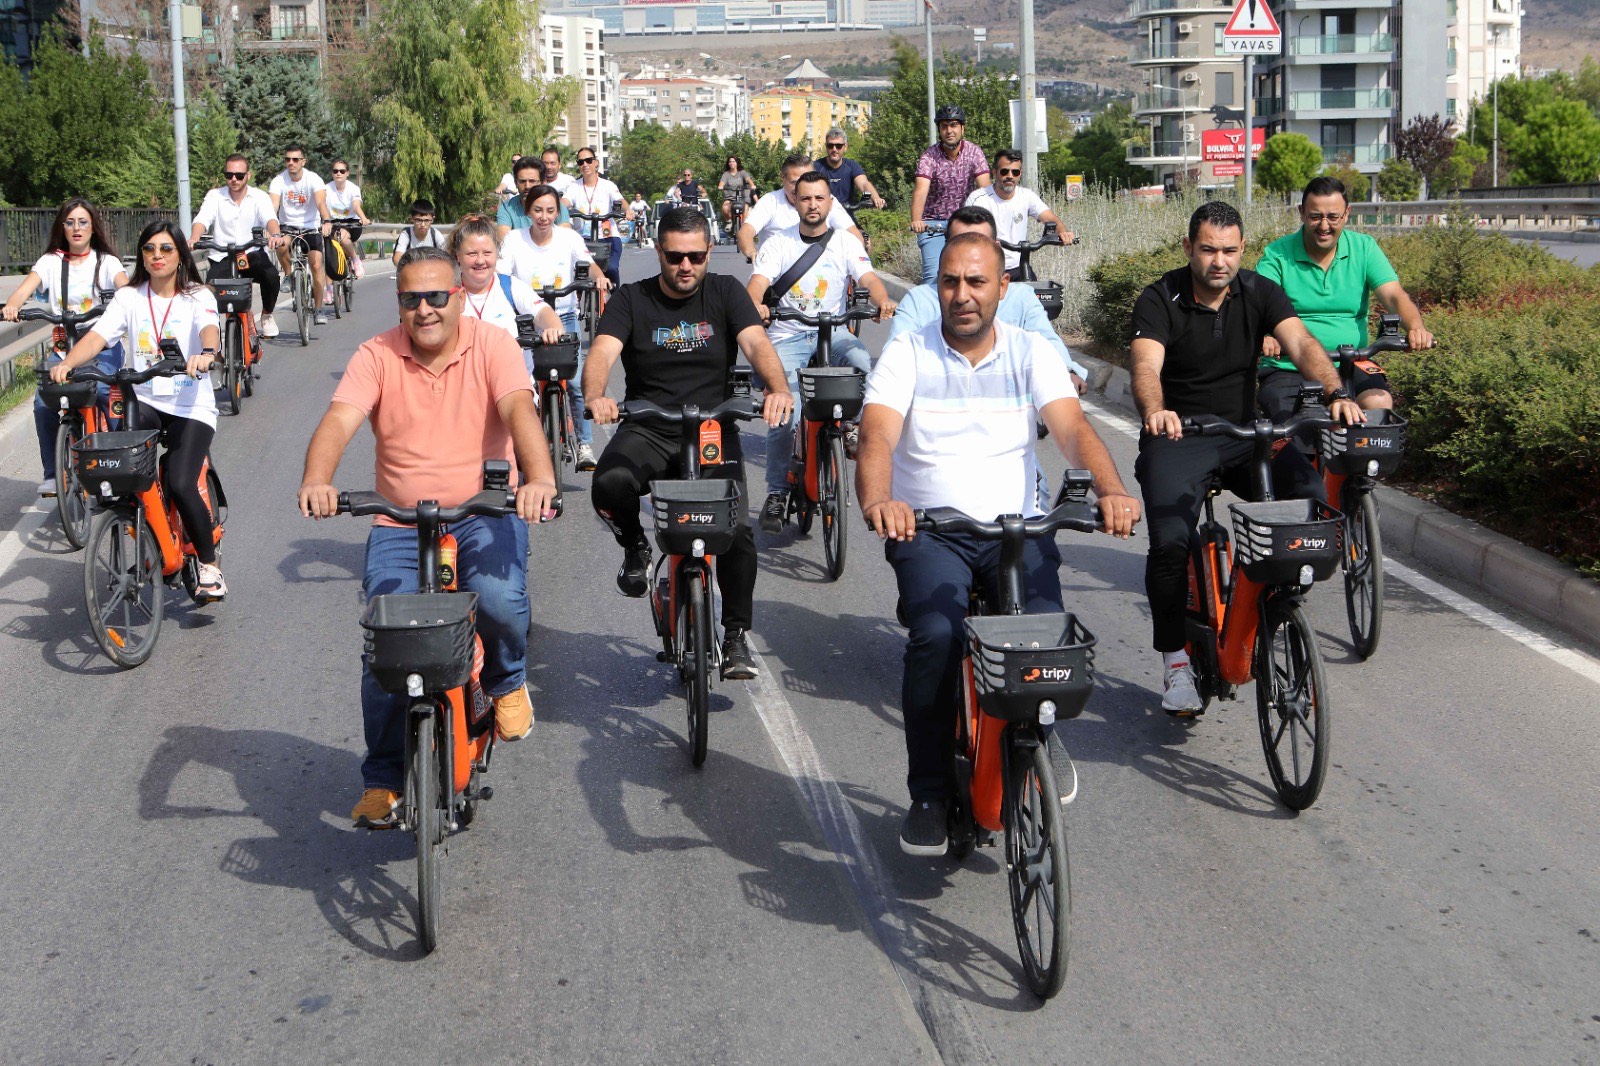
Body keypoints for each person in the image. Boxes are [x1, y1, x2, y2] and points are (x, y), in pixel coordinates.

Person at [856, 230, 1140, 856]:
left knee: (1046, 636)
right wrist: (881, 501)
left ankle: (1036, 726)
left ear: (1002, 288)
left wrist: (1111, 490)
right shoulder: (908, 351)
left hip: (1018, 528)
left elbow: (1072, 429)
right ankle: (929, 792)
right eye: (950, 281)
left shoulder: (1030, 351)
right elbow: (876, 437)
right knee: (936, 636)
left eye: (977, 282)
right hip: (931, 530)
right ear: (938, 287)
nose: (962, 294)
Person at [296, 246, 561, 829]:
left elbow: (520, 411)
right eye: (411, 299)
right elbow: (341, 419)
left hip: (480, 511)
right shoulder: (377, 354)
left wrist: (538, 478)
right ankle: (385, 779)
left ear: (459, 298)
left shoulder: (492, 345)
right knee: (384, 648)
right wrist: (318, 479)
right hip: (400, 520)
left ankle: (506, 681)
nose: (424, 310)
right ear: (399, 303)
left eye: (436, 296)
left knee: (499, 600)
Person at [1130, 202, 1361, 715]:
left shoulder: (1259, 290)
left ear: (1242, 251)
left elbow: (1300, 342)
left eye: (1230, 250)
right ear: (1189, 247)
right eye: (1208, 249)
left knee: (1307, 499)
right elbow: (1146, 364)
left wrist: (1334, 392)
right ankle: (1174, 662)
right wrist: (1157, 411)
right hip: (1179, 436)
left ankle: (1271, 604)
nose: (1220, 261)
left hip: (1243, 433)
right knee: (1169, 544)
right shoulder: (1159, 297)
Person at [584, 206, 794, 680]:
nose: (686, 267)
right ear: (659, 251)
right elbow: (602, 352)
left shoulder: (725, 292)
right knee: (609, 483)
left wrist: (776, 388)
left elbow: (758, 344)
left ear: (706, 253)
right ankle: (636, 548)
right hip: (648, 425)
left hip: (712, 431)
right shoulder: (632, 299)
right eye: (676, 256)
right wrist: (597, 395)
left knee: (737, 531)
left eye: (697, 256)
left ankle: (736, 636)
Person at [53, 221, 226, 600]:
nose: (157, 256)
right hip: (144, 400)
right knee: (124, 471)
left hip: (190, 405)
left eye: (166, 249)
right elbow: (98, 337)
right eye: (149, 249)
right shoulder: (130, 297)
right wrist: (68, 362)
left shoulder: (198, 295)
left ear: (180, 253)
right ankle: (152, 538)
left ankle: (210, 565)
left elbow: (209, 329)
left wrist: (207, 354)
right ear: (142, 256)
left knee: (181, 483)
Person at [746, 170, 894, 533]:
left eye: (819, 198)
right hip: (788, 337)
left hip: (835, 332)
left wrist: (882, 300)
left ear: (830, 203)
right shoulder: (778, 244)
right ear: (795, 201)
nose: (813, 205)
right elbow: (757, 284)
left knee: (861, 361)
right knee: (785, 410)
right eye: (806, 198)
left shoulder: (845, 242)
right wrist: (757, 306)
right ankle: (778, 492)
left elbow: (868, 278)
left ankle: (852, 428)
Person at [1255, 175, 1435, 420]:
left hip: (1352, 363)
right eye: (1315, 216)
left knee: (1378, 404)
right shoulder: (1277, 255)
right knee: (1297, 425)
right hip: (1290, 367)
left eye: (1333, 217)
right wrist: (1266, 335)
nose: (1324, 226)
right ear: (1301, 213)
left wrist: (1416, 327)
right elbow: (1260, 305)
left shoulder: (1364, 248)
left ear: (1347, 214)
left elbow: (1393, 295)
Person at [2, 197, 129, 497]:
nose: (76, 228)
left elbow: (125, 286)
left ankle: (119, 465)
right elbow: (25, 289)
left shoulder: (106, 262)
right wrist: (12, 305)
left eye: (83, 222)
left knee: (102, 393)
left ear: (93, 227)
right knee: (42, 402)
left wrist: (128, 299)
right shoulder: (51, 261)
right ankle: (51, 474)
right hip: (63, 348)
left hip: (102, 346)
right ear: (62, 227)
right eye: (70, 222)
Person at [890, 206, 1088, 392]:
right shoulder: (919, 300)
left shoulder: (1021, 297)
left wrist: (1067, 371)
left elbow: (1046, 339)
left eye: (979, 243)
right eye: (960, 242)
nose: (962, 297)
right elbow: (895, 358)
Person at [500, 184, 610, 470]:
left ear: (557, 211)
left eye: (550, 210)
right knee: (521, 385)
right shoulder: (514, 240)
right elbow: (501, 277)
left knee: (574, 382)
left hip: (564, 317)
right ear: (528, 212)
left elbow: (589, 264)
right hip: (526, 321)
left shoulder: (569, 238)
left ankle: (585, 445)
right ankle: (522, 449)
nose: (544, 217)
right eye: (538, 210)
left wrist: (599, 279)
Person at [189, 155, 284, 338]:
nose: (233, 179)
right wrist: (194, 238)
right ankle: (213, 344)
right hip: (222, 256)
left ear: (247, 176)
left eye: (239, 175)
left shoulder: (259, 196)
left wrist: (275, 234)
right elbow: (202, 219)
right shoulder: (214, 196)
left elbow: (270, 219)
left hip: (251, 254)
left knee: (271, 275)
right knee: (209, 296)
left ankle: (266, 314)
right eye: (229, 175)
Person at [448, 214, 563, 363]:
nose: (480, 261)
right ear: (457, 256)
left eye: (487, 253)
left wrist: (553, 327)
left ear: (497, 253)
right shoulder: (448, 292)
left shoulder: (510, 286)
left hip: (514, 381)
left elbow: (542, 313)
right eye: (472, 253)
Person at [909, 105, 991, 285]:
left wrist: (989, 220)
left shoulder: (974, 152)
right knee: (933, 277)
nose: (949, 131)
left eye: (954, 125)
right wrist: (917, 219)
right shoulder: (929, 157)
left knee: (972, 274)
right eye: (944, 126)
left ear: (962, 128)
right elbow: (921, 189)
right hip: (932, 223)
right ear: (939, 130)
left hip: (965, 221)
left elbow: (985, 189)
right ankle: (931, 313)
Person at [964, 149, 1070, 280]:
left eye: (1015, 172)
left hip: (1019, 267)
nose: (1010, 176)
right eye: (1004, 171)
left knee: (1035, 296)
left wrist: (1063, 232)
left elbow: (1050, 218)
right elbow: (965, 231)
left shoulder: (1027, 196)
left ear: (1020, 174)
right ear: (994, 172)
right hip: (986, 267)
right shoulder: (978, 198)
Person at [737, 152, 863, 261]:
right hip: (778, 280)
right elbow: (746, 233)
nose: (799, 188)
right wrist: (752, 252)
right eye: (794, 182)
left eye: (805, 180)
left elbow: (854, 236)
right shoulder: (770, 202)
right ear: (783, 178)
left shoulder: (827, 201)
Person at [268, 145, 334, 325]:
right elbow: (273, 206)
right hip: (288, 226)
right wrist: (270, 225)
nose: (291, 163)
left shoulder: (313, 179)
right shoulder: (278, 181)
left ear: (303, 162)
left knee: (316, 264)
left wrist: (326, 221)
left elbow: (321, 203)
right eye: (287, 159)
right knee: (280, 244)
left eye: (295, 159)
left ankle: (319, 308)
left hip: (311, 227)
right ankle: (289, 275)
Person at [564, 145, 630, 288]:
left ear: (596, 163)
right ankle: (577, 304)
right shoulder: (573, 186)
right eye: (580, 162)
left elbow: (620, 201)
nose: (585, 165)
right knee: (578, 273)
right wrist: (555, 208)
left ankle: (615, 302)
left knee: (611, 268)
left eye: (588, 160)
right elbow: (565, 202)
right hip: (583, 237)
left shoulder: (608, 185)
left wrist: (628, 210)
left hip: (608, 236)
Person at [815, 128, 885, 211]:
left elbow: (864, 184)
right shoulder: (816, 167)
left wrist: (876, 199)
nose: (834, 149)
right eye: (830, 146)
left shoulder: (852, 166)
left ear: (845, 147)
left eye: (838, 146)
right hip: (823, 215)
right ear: (826, 147)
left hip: (846, 216)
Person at [324, 159, 369, 282]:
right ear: (332, 173)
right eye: (335, 171)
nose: (339, 173)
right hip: (333, 222)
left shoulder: (353, 188)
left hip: (351, 222)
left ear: (347, 173)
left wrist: (363, 218)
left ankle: (355, 260)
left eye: (342, 171)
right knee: (328, 250)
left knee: (343, 237)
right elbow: (322, 206)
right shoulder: (326, 189)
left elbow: (355, 206)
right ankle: (329, 288)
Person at [391, 199, 444, 265]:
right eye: (418, 220)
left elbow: (448, 258)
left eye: (427, 221)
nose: (423, 225)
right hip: (411, 271)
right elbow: (397, 259)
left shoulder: (436, 235)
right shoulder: (406, 234)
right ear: (412, 219)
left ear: (432, 220)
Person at [717, 155, 756, 229]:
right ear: (728, 163)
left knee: (745, 209)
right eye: (730, 162)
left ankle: (744, 226)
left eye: (733, 161)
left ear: (737, 163)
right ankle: (729, 222)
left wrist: (752, 185)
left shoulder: (742, 172)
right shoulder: (726, 174)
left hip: (742, 197)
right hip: (730, 197)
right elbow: (721, 183)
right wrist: (721, 186)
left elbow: (748, 180)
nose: (731, 163)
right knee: (725, 207)